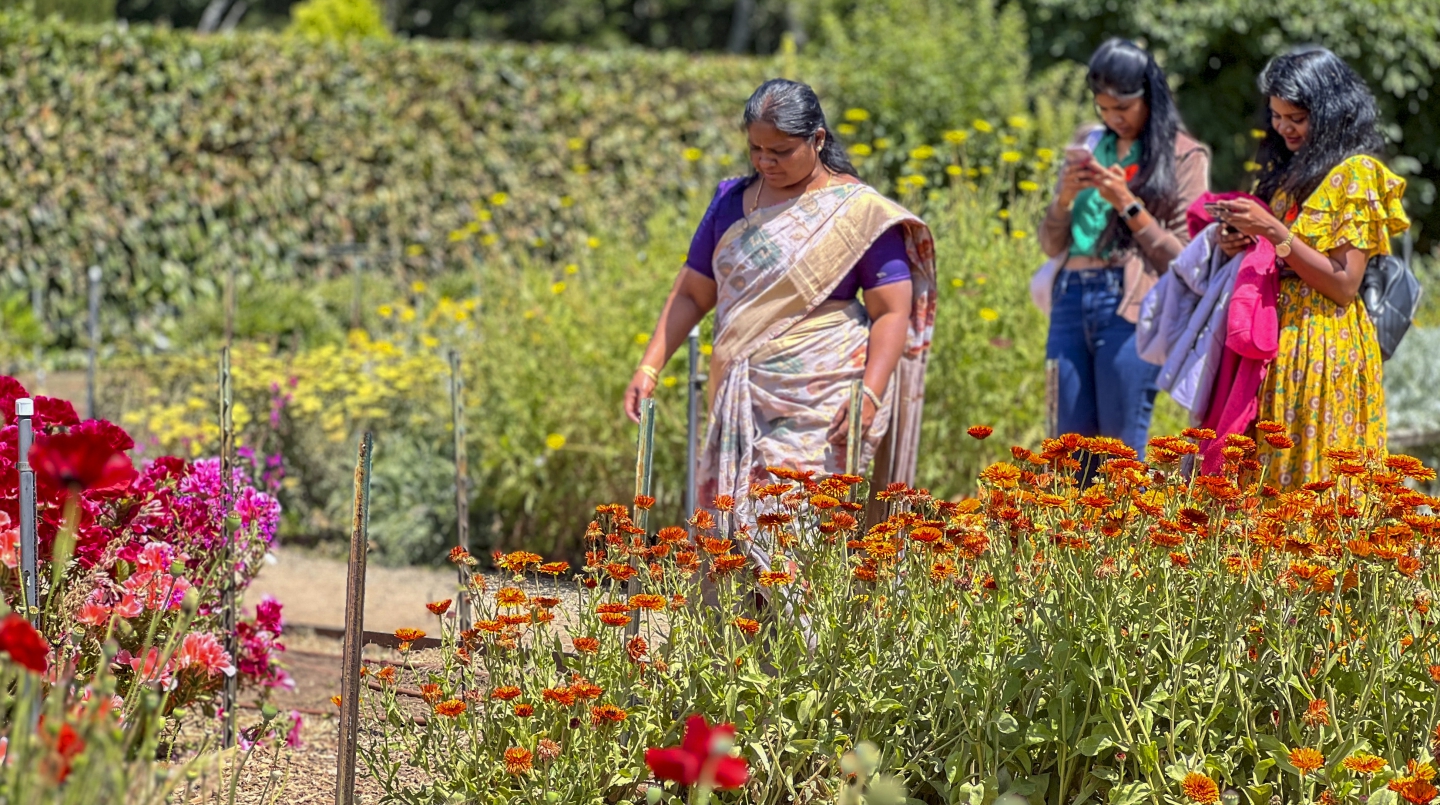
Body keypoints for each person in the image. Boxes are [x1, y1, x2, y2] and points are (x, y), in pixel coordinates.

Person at [623, 78, 936, 531]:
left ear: (818, 140)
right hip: (741, 395)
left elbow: (892, 309)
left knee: (795, 524)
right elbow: (693, 292)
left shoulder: (857, 214)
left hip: (823, 402)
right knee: (733, 531)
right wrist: (649, 367)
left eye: (782, 152)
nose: (766, 162)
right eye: (756, 150)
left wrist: (870, 391)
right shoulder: (731, 203)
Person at [1210, 47, 1408, 489]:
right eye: (1277, 116)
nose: (1283, 127)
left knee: (1318, 490)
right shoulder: (1292, 170)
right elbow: (1282, 252)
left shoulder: (1356, 174)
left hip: (1326, 346)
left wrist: (1275, 232)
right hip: (1280, 346)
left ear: (1331, 111)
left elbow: (1343, 283)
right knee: (1271, 485)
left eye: (1295, 117)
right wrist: (1241, 240)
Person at [1038, 39, 1210, 459]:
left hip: (1130, 304)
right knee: (1069, 450)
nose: (1113, 119)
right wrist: (1063, 198)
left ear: (1149, 97)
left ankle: (1123, 526)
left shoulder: (1184, 155)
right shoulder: (1089, 142)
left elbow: (1184, 257)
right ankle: (1073, 527)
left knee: (1119, 452)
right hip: (1070, 296)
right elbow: (1050, 244)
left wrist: (1128, 204)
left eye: (1123, 108)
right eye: (1103, 108)